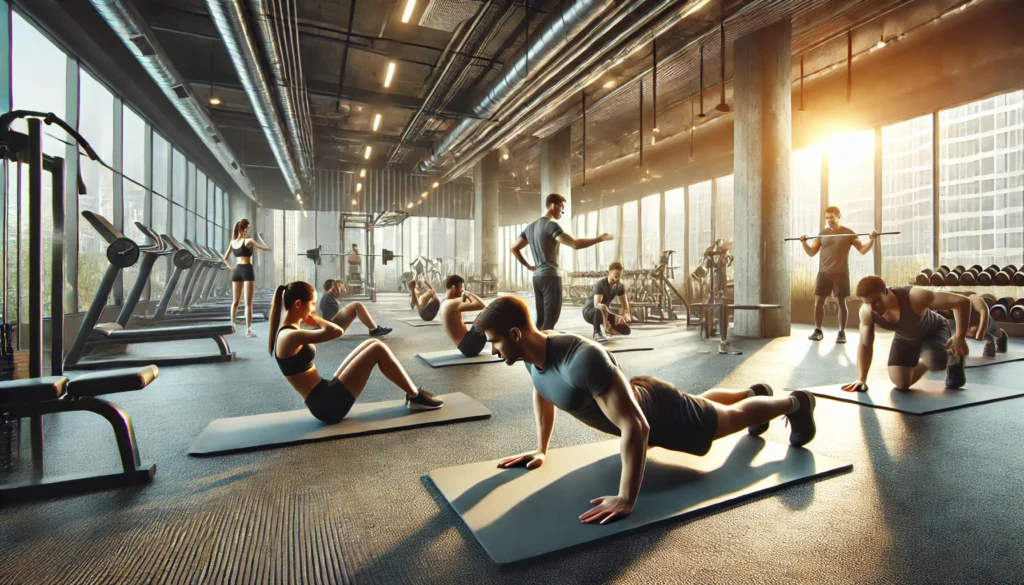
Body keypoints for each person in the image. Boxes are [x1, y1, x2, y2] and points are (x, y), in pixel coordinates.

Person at [474, 296, 816, 525]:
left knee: (728, 420)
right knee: (701, 401)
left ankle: (795, 402)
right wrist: (541, 449)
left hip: (658, 412)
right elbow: (543, 392)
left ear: (515, 334)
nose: (491, 349)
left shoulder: (581, 359)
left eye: (494, 340)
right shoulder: (531, 353)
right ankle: (752, 392)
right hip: (644, 395)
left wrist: (626, 498)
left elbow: (637, 427)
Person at [269, 281, 443, 424]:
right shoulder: (289, 336)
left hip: (325, 393)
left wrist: (311, 316)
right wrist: (315, 318)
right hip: (328, 405)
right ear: (298, 304)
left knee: (372, 342)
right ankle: (415, 397)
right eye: (312, 304)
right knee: (378, 349)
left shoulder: (288, 331)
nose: (314, 308)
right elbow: (337, 331)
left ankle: (413, 392)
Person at [842, 276, 970, 393]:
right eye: (867, 302)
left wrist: (960, 336)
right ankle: (927, 360)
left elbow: (961, 302)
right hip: (906, 336)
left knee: (935, 361)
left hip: (933, 329)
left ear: (886, 292)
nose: (873, 307)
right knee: (901, 384)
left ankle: (954, 358)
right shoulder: (867, 312)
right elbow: (865, 344)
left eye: (876, 301)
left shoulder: (914, 296)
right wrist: (861, 379)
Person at [511, 193, 613, 331]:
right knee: (550, 319)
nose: (562, 212)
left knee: (540, 319)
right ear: (553, 205)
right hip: (550, 277)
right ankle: (545, 351)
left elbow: (514, 247)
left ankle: (535, 349)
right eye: (562, 207)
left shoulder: (530, 228)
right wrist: (599, 239)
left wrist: (528, 266)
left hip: (537, 278)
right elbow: (575, 244)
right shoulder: (551, 226)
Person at [800, 206, 877, 344]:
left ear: (838, 216)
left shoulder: (849, 234)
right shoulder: (822, 234)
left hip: (840, 274)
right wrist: (803, 242)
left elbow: (862, 250)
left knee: (841, 303)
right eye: (827, 218)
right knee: (819, 303)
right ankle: (818, 330)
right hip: (823, 273)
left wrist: (871, 240)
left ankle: (841, 333)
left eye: (832, 217)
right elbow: (811, 253)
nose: (830, 220)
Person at [224, 218, 271, 338]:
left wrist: (232, 268)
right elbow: (266, 248)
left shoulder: (233, 242)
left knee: (235, 302)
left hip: (237, 271)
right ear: (245, 229)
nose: (248, 231)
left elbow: (225, 258)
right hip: (247, 270)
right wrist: (261, 238)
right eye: (248, 228)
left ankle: (232, 324)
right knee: (248, 304)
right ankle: (248, 330)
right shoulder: (249, 241)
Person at [319, 279, 392, 337]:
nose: (340, 290)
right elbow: (329, 321)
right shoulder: (327, 299)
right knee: (356, 305)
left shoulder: (328, 297)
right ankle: (374, 329)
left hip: (332, 329)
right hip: (330, 332)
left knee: (353, 311)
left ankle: (373, 328)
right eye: (337, 287)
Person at [439, 274, 487, 357]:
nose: (461, 290)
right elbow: (482, 305)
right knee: (487, 313)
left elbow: (468, 303)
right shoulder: (452, 304)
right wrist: (468, 293)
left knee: (481, 319)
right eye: (460, 288)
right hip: (470, 345)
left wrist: (464, 297)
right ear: (454, 288)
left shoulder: (445, 303)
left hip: (465, 347)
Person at [583, 262, 632, 342]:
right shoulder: (601, 284)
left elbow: (625, 304)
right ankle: (597, 332)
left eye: (619, 276)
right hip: (589, 311)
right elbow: (596, 304)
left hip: (604, 310)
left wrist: (624, 314)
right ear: (610, 271)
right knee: (601, 307)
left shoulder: (620, 285)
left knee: (616, 316)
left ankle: (611, 328)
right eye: (615, 275)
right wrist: (605, 321)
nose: (617, 277)